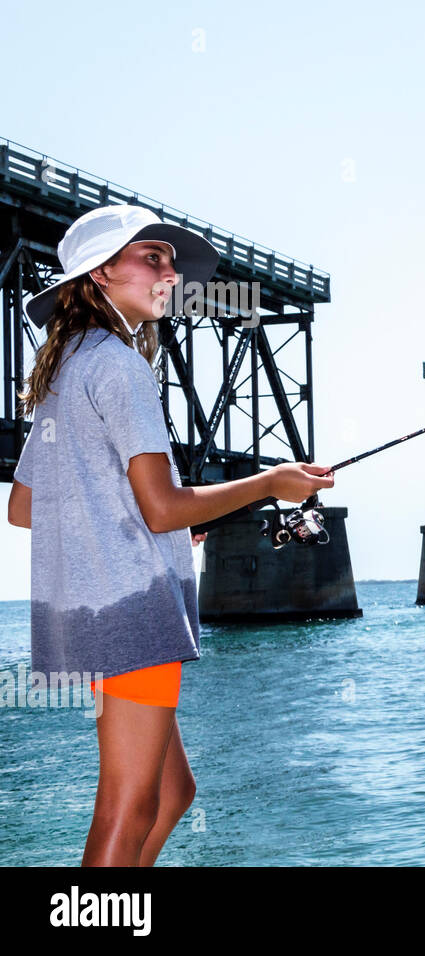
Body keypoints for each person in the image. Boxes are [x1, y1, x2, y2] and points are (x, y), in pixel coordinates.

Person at [5, 205, 335, 866]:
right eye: (150, 257)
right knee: (128, 805)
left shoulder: (70, 362)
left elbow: (24, 506)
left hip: (99, 606)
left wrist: (149, 536)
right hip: (133, 614)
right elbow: (159, 508)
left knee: (173, 792)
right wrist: (270, 482)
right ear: (100, 274)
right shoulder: (121, 367)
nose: (169, 272)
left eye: (169, 260)